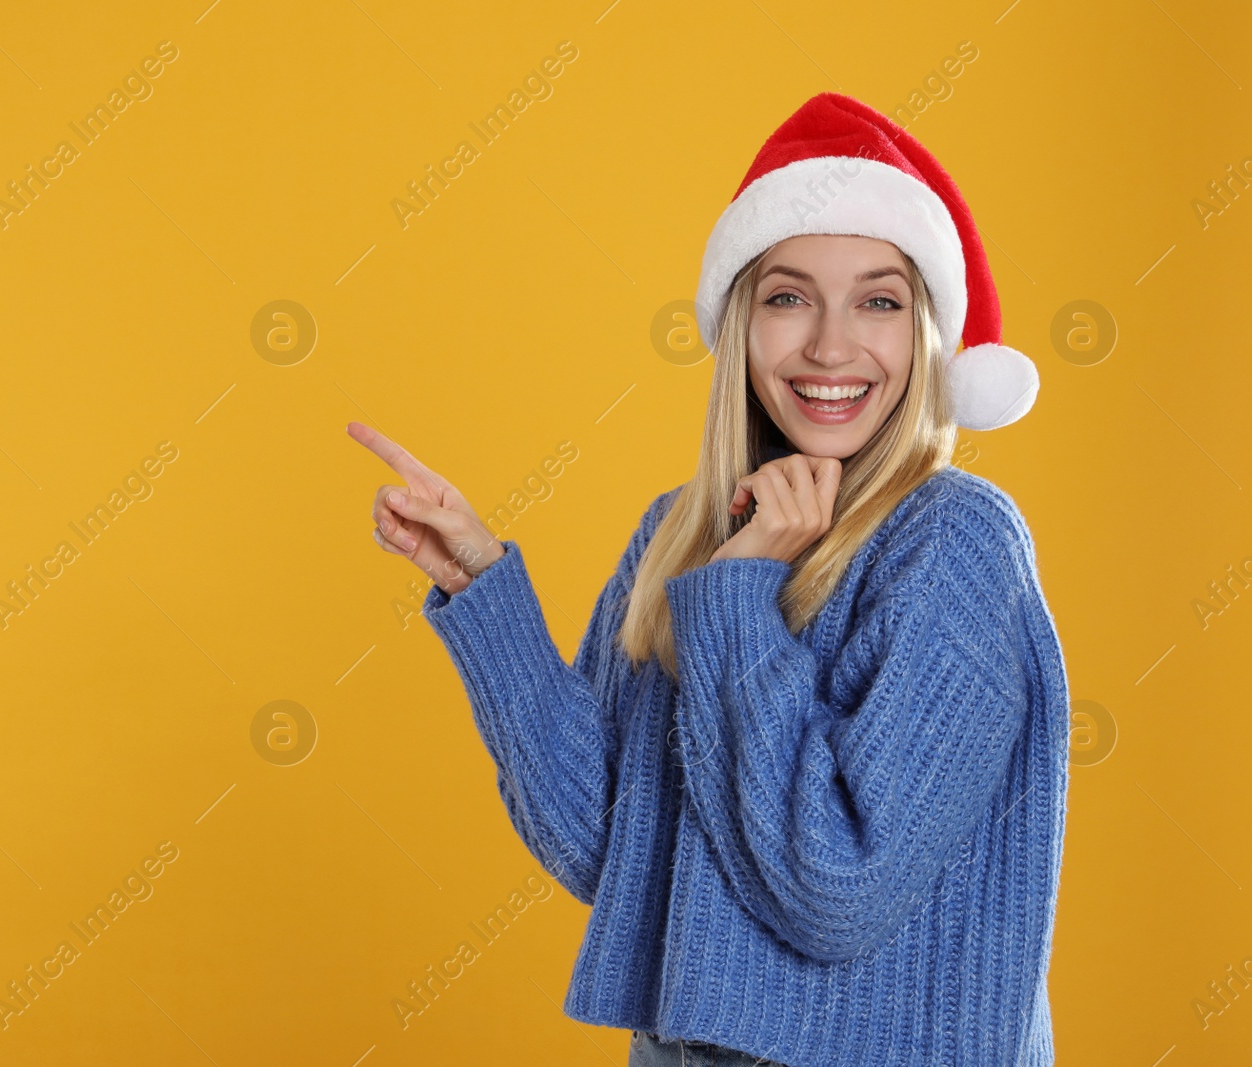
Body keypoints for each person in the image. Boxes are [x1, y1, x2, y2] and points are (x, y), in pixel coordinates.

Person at [349, 92, 1068, 1067]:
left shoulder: (952, 541)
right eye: (786, 295)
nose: (827, 344)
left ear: (927, 334)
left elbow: (835, 889)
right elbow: (610, 850)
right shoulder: (684, 529)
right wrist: (484, 589)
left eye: (878, 299)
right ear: (741, 323)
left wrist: (735, 602)